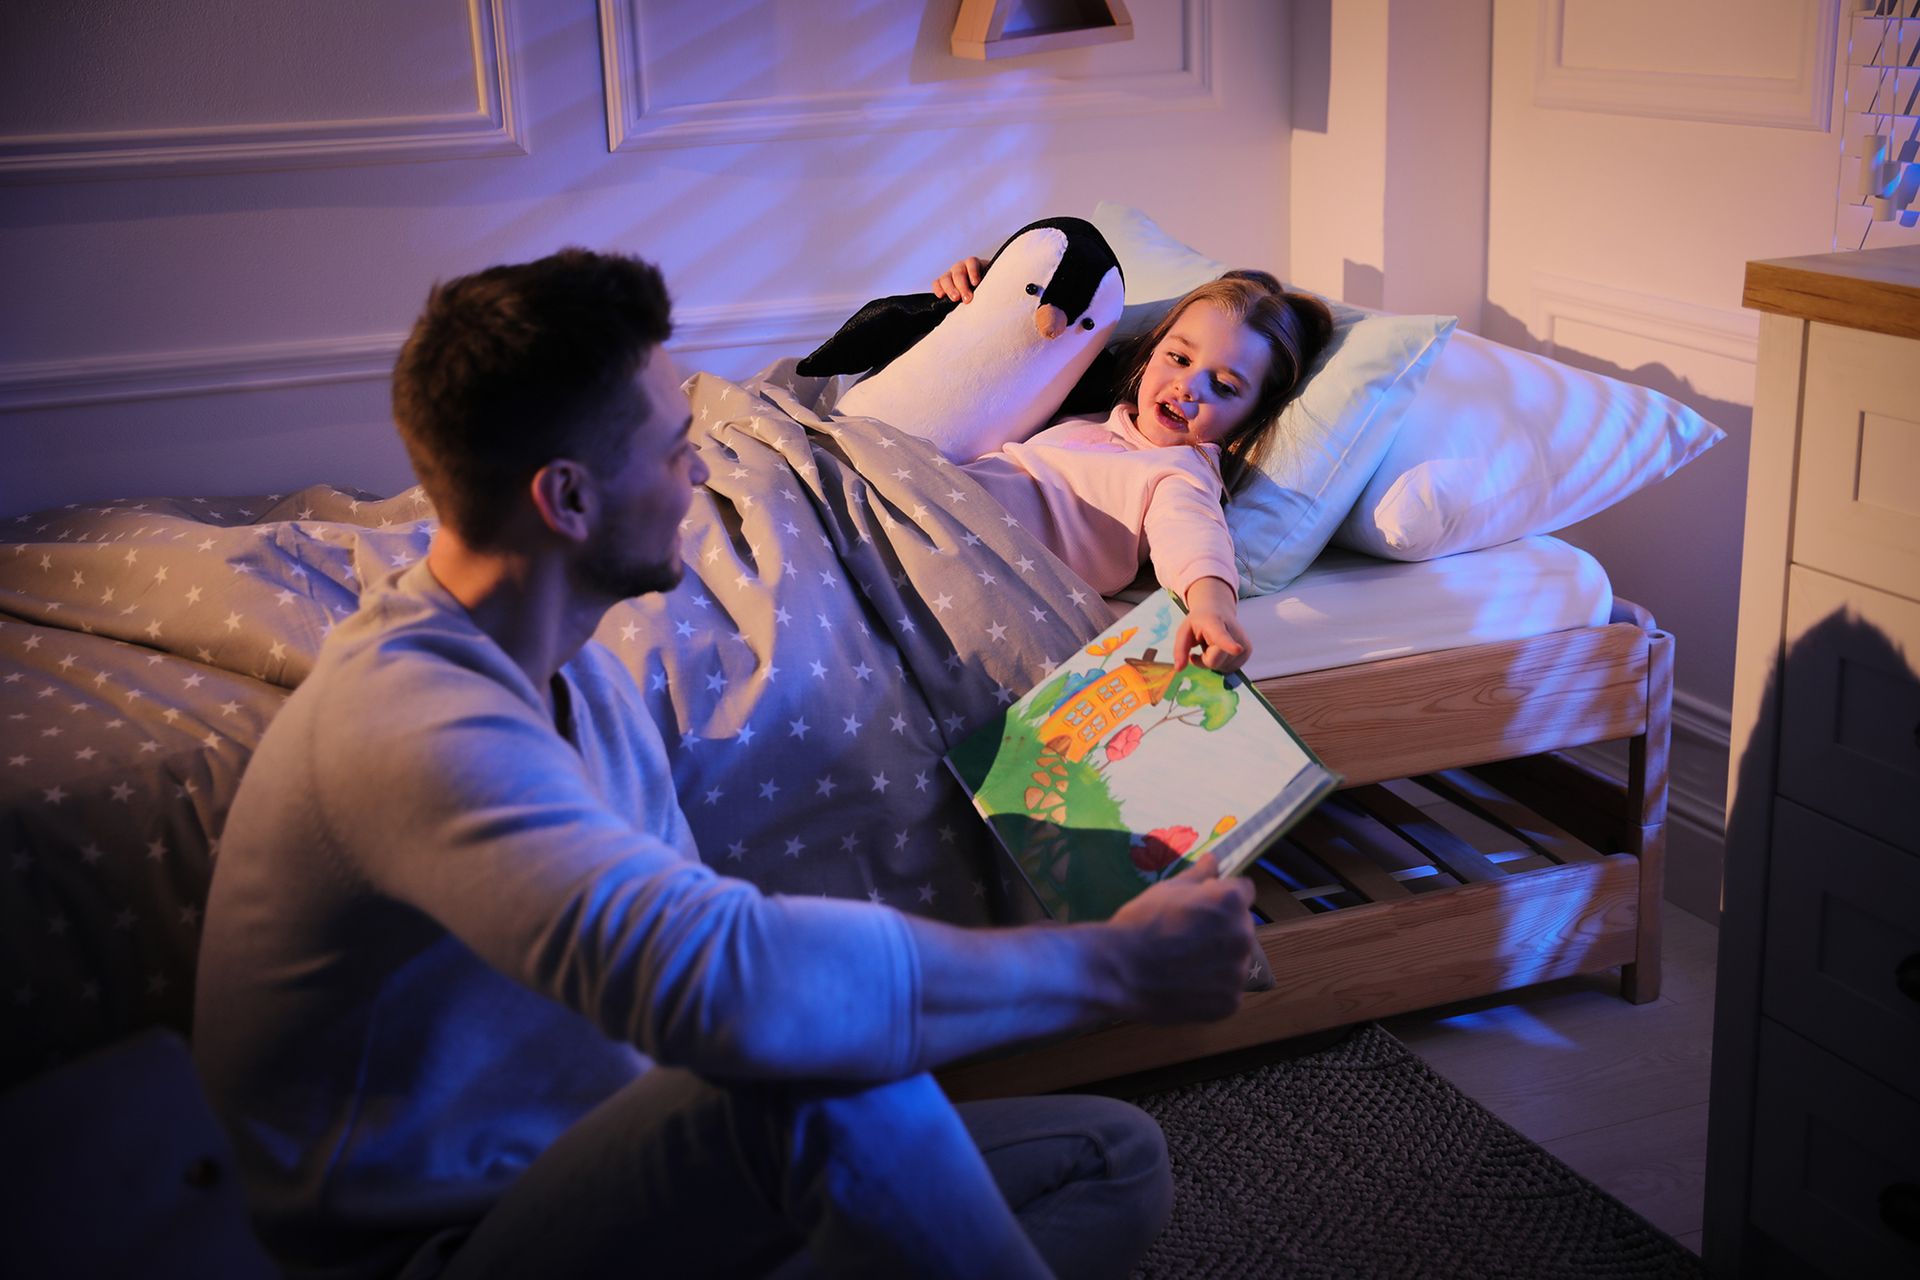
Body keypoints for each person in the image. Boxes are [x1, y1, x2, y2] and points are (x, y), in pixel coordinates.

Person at [192, 247, 1260, 1280]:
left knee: (1114, 1160)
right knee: (801, 1065)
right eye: (671, 450)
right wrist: (1111, 966)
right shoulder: (410, 723)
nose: (702, 466)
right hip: (445, 1239)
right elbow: (726, 984)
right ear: (566, 498)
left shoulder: (578, 664)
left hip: (613, 1162)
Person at [933, 258, 1334, 676]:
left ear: (1250, 416)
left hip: (976, 554)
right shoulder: (1087, 415)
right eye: (1179, 358)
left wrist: (1213, 608)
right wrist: (997, 283)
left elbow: (1192, 536)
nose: (1188, 387)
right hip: (935, 502)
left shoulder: (1178, 471)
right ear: (1152, 352)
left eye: (1223, 387)